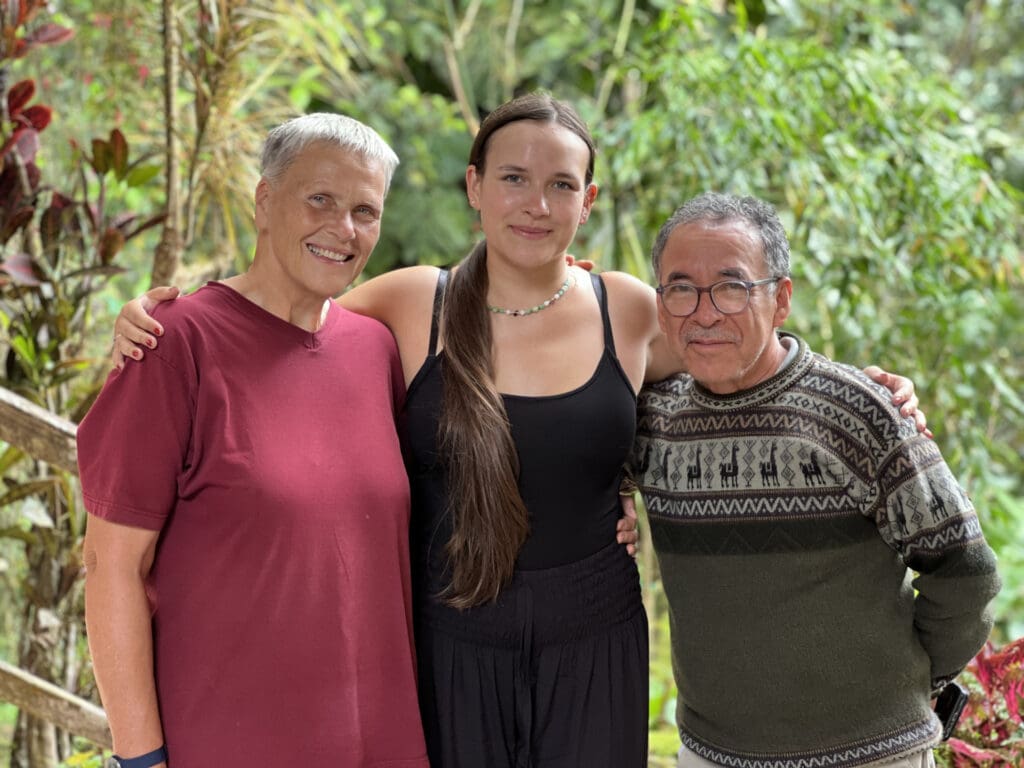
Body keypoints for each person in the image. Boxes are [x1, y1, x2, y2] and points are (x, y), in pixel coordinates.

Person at [110, 95, 924, 768]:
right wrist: (156, 312)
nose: (536, 204)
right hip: (451, 633)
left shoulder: (629, 308)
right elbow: (276, 326)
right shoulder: (406, 302)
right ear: (473, 185)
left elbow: (741, 351)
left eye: (561, 185)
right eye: (513, 178)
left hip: (596, 634)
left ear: (588, 201)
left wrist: (867, 388)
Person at [78, 114, 430, 767]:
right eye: (319, 199)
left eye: (365, 210)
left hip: (378, 740)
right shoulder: (173, 344)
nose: (344, 228)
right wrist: (140, 757)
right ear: (265, 201)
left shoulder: (378, 350)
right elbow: (109, 566)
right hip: (226, 740)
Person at [629, 191, 1001, 768]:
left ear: (780, 299)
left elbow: (966, 573)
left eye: (732, 287)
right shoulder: (652, 422)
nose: (703, 313)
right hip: (711, 755)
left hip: (872, 755)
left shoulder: (860, 411)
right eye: (681, 289)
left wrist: (908, 682)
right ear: (660, 302)